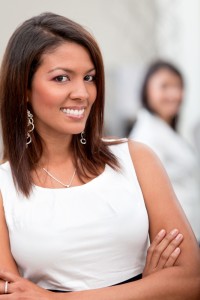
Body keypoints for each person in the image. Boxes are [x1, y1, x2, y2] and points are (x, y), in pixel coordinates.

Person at [0, 13, 199, 300]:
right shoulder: (4, 187)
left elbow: (191, 280)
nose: (82, 93)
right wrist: (148, 286)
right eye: (61, 78)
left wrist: (55, 298)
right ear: (24, 90)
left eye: (89, 77)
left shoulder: (137, 158)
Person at [129, 60, 200, 244]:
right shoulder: (147, 134)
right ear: (147, 90)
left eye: (178, 86)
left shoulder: (165, 130)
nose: (174, 94)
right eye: (165, 86)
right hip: (173, 239)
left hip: (187, 230)